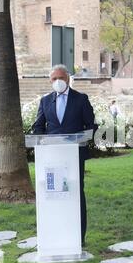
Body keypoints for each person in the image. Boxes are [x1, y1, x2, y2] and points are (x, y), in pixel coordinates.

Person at [32, 64, 97, 245]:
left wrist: (82, 138)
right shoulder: (45, 101)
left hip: (74, 155)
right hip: (52, 157)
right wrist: (40, 139)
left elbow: (91, 125)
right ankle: (55, 233)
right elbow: (39, 126)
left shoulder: (81, 99)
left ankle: (79, 237)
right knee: (55, 193)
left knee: (76, 192)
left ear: (68, 79)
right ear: (50, 81)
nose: (58, 82)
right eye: (54, 79)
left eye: (61, 78)